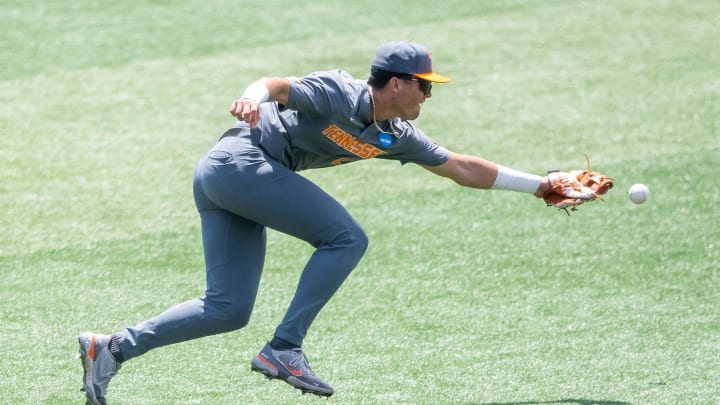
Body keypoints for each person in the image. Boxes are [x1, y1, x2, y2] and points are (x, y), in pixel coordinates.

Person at [77, 41, 553, 403]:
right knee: (345, 237)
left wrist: (542, 185)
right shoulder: (340, 92)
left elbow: (461, 167)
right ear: (397, 83)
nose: (428, 95)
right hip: (239, 163)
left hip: (236, 182)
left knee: (228, 309)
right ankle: (284, 347)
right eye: (424, 85)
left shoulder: (396, 134)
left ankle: (112, 348)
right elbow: (277, 86)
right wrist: (249, 98)